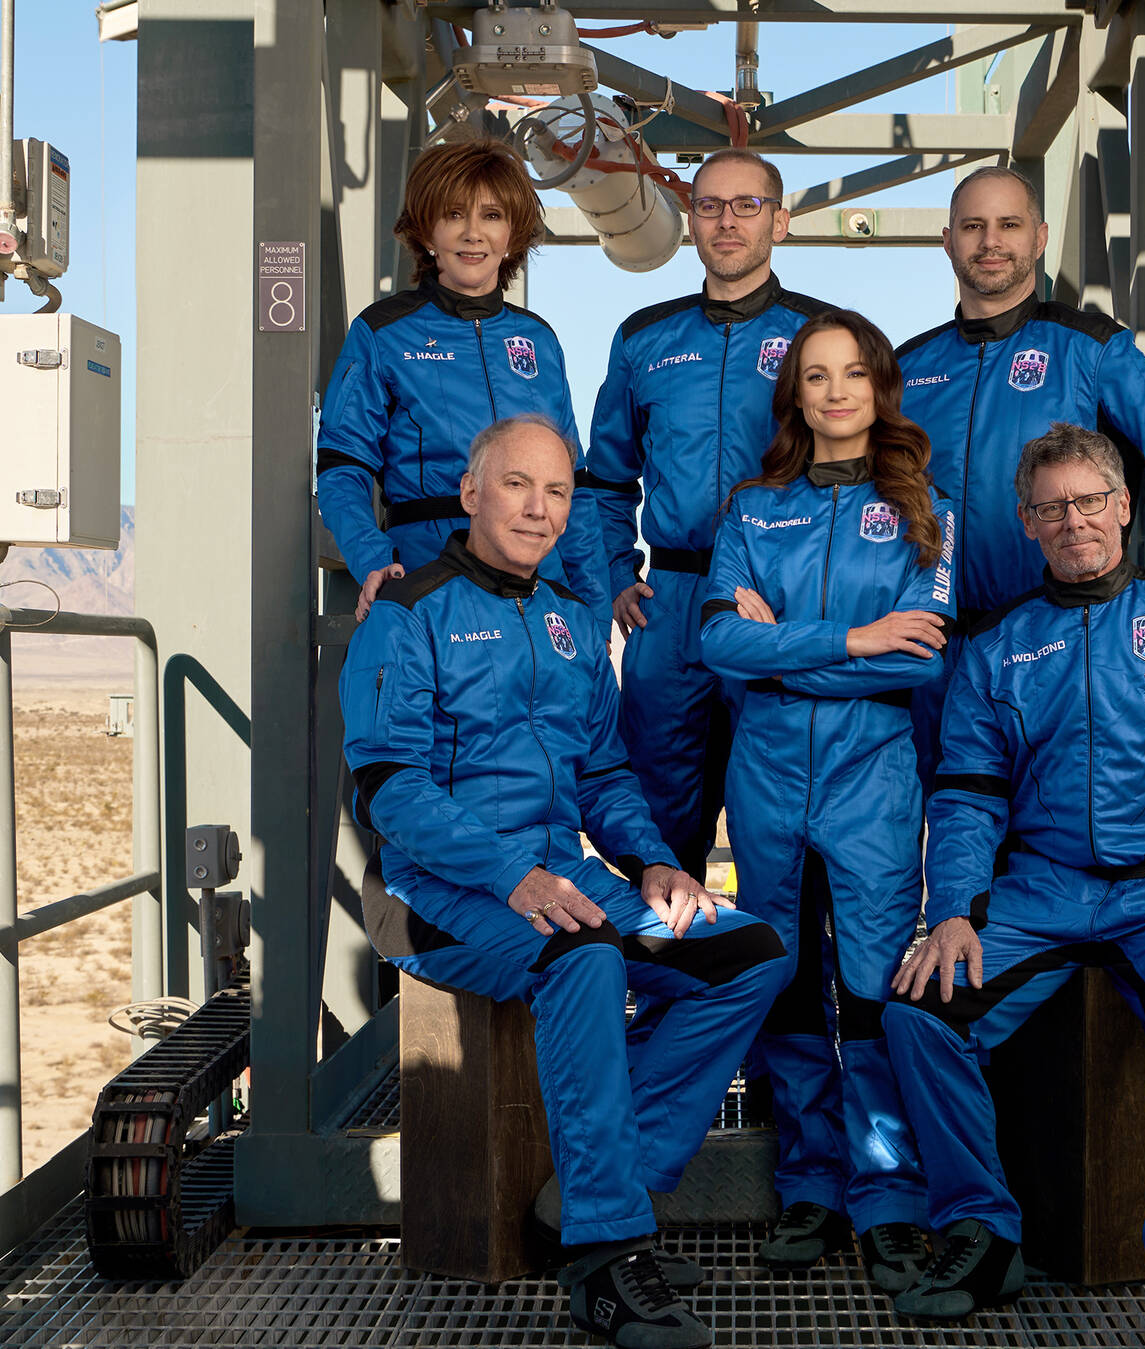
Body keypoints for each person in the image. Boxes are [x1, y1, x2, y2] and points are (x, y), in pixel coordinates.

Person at [341, 414, 790, 1349]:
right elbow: (391, 790)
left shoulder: (572, 623)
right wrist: (512, 875)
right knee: (584, 957)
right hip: (440, 891)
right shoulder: (407, 613)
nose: (539, 509)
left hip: (568, 877)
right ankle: (605, 1255)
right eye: (517, 486)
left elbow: (604, 776)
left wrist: (657, 863)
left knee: (745, 953)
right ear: (471, 493)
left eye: (556, 492)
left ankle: (594, 1185)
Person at [882, 423, 1145, 1349]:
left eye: (1089, 501)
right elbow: (965, 793)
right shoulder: (999, 642)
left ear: (1125, 506)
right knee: (919, 1011)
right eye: (1051, 507)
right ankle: (982, 1229)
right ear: (1027, 522)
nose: (1073, 520)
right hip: (1036, 892)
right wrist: (952, 911)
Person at [698, 311, 955, 1292]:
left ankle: (887, 1193)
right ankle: (808, 1180)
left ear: (877, 387)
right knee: (789, 978)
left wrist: (782, 650)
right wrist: (851, 640)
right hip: (764, 778)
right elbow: (717, 644)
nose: (836, 390)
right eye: (815, 375)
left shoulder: (924, 508)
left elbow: (921, 652)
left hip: (872, 774)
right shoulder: (753, 509)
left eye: (852, 373)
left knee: (871, 985)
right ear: (794, 395)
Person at [896, 166, 1145, 774]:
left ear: (1041, 237)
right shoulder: (908, 367)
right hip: (934, 652)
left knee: (1045, 839)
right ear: (947, 240)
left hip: (1054, 647)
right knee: (943, 829)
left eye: (1009, 225)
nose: (990, 241)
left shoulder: (1091, 348)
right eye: (973, 226)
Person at [578, 148, 838, 878]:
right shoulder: (644, 338)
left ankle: (790, 996)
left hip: (779, 603)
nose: (727, 221)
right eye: (709, 206)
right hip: (673, 604)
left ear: (779, 222)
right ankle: (665, 986)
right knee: (656, 817)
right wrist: (613, 577)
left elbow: (865, 476)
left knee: (785, 822)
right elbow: (603, 480)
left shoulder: (824, 336)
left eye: (747, 205)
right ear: (689, 220)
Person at [317, 139, 603, 623]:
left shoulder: (538, 340)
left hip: (539, 588)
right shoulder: (383, 331)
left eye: (491, 216)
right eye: (454, 215)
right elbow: (342, 466)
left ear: (512, 234)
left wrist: (593, 609)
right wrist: (375, 562)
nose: (473, 234)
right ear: (427, 230)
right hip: (428, 577)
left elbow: (573, 486)